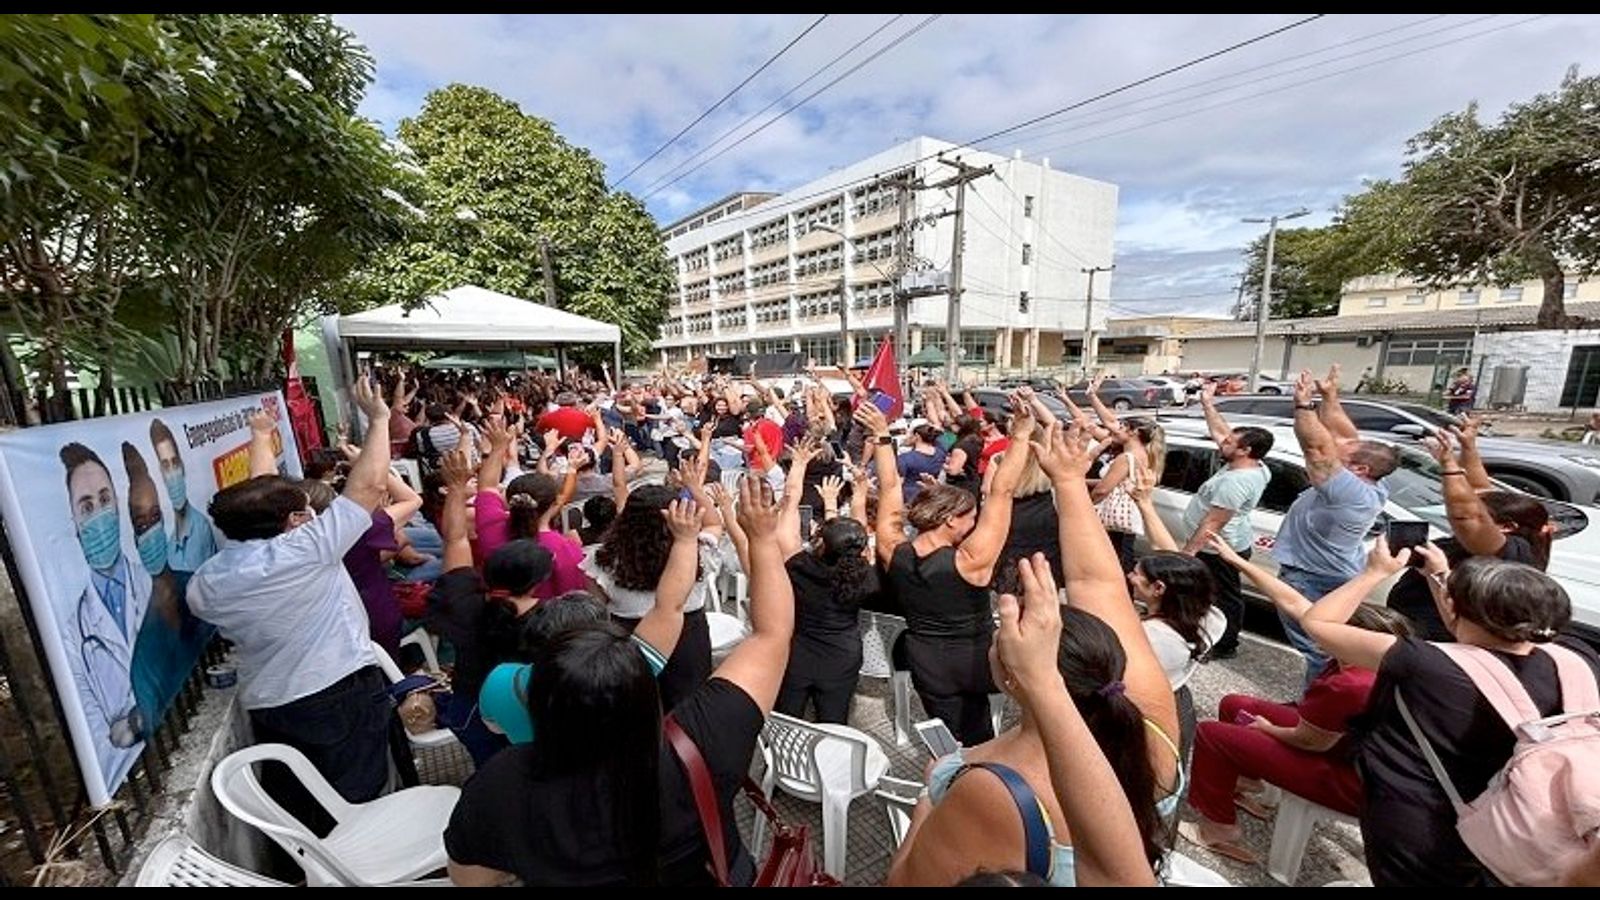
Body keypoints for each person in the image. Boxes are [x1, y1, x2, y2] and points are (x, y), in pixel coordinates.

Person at [443, 477, 795, 887]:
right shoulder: (705, 740)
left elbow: (470, 880)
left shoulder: (501, 784)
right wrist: (762, 540)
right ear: (647, 684)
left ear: (536, 698)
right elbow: (770, 634)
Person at [888, 424, 1181, 886]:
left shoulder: (990, 786)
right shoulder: (1152, 726)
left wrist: (929, 801)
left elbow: (904, 883)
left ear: (1011, 677)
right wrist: (1067, 482)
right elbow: (1097, 585)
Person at [1302, 541, 1600, 886]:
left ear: (1457, 609)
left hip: (1429, 832)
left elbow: (1318, 622)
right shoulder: (1578, 661)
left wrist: (1375, 573)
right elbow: (1479, 636)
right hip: (1528, 834)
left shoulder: (1426, 664)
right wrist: (1441, 578)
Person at [187, 375, 404, 829]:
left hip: (271, 703)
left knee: (300, 804)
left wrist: (260, 436)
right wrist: (379, 419)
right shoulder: (307, 551)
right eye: (304, 510)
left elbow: (260, 499)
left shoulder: (208, 582)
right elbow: (366, 488)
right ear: (293, 521)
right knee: (357, 799)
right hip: (337, 695)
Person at [1180, 536, 1410, 865]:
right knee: (1235, 704)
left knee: (1212, 734)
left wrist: (1266, 729)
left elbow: (1310, 741)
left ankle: (1217, 828)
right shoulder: (1373, 656)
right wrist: (1236, 560)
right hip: (1346, 746)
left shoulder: (1351, 683)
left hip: (1352, 777)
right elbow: (1291, 601)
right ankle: (1243, 781)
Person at [866, 401, 1034, 745]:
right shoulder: (971, 560)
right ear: (950, 520)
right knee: (981, 739)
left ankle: (949, 778)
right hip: (977, 663)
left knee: (946, 737)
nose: (975, 523)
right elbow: (1002, 492)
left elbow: (889, 489)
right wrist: (1020, 437)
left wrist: (883, 436)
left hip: (926, 663)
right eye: (971, 516)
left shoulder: (892, 550)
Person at [1274, 365, 1397, 689]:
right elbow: (1345, 437)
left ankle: (1317, 714)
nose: (1335, 445)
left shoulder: (1349, 493)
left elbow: (1316, 450)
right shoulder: (1372, 482)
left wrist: (1302, 405)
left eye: (1341, 454)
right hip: (1335, 572)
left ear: (1359, 468)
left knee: (1320, 650)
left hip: (1311, 578)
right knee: (1333, 649)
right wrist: (1329, 398)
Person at [584, 454, 723, 712]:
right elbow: (715, 523)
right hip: (688, 637)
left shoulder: (602, 559)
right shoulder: (697, 551)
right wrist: (693, 488)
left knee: (638, 704)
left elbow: (596, 607)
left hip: (628, 636)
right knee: (686, 705)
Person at [1387, 425, 1552, 639]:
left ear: (1507, 527)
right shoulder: (1510, 537)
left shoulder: (1511, 552)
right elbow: (1479, 490)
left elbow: (1467, 515)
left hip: (1438, 640)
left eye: (1484, 515)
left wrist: (1448, 465)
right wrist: (1467, 447)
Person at [60, 442, 151, 779]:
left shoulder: (153, 586)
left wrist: (128, 725)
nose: (99, 513)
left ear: (117, 503)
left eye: (104, 499)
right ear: (74, 524)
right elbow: (100, 737)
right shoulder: (73, 633)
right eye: (86, 507)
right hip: (138, 774)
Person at [1177, 382, 1273, 659]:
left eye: (1231, 442)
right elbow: (1221, 431)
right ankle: (1200, 631)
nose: (1223, 441)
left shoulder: (1236, 482)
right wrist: (1208, 403)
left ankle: (1225, 644)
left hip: (1219, 547)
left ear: (1246, 450)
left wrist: (1188, 554)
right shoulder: (1255, 464)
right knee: (1211, 594)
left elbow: (1213, 523)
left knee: (1224, 597)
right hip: (1225, 543)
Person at [775, 499, 880, 724]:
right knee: (834, 723)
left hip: (797, 654)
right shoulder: (866, 578)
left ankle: (779, 760)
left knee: (786, 720)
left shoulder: (799, 567)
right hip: (842, 657)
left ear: (822, 543)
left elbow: (787, 536)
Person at [148, 418, 218, 577]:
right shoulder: (170, 543)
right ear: (161, 473)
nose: (172, 472)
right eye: (165, 466)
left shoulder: (201, 527)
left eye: (175, 463)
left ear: (182, 467)